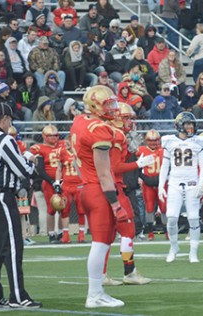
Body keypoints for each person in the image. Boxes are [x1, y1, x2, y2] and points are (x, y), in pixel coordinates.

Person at [0, 102, 41, 309]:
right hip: (0, 196)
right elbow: (23, 170)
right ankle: (18, 296)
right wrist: (31, 160)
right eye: (9, 120)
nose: (10, 123)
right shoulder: (4, 140)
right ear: (4, 119)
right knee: (12, 247)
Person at [69, 84, 125, 308]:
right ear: (94, 105)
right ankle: (94, 294)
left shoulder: (79, 121)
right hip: (99, 191)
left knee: (102, 242)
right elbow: (104, 173)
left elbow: (77, 160)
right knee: (101, 244)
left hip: (87, 187)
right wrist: (115, 204)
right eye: (108, 104)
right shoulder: (98, 129)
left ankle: (96, 292)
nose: (112, 107)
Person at [105, 102, 153, 285]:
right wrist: (138, 164)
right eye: (127, 118)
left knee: (107, 235)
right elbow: (116, 167)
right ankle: (129, 272)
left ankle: (104, 274)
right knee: (127, 229)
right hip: (114, 187)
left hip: (110, 186)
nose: (130, 122)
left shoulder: (112, 133)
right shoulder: (116, 136)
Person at [158, 112, 203, 263]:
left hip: (192, 183)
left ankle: (193, 252)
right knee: (171, 217)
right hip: (174, 183)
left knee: (193, 218)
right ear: (180, 125)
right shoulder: (169, 141)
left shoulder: (198, 141)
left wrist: (201, 184)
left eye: (191, 124)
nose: (190, 127)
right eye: (187, 124)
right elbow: (164, 165)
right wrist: (161, 185)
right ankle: (174, 247)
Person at [30, 125, 65, 243]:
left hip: (63, 181)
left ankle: (61, 232)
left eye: (55, 135)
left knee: (63, 208)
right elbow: (40, 169)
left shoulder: (64, 145)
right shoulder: (39, 148)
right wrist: (52, 182)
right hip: (49, 183)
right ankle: (51, 234)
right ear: (44, 137)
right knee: (52, 209)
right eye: (50, 136)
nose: (54, 138)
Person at [137, 130, 166, 241]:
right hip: (148, 184)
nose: (153, 143)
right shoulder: (141, 150)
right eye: (150, 140)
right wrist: (144, 178)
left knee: (164, 208)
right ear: (146, 141)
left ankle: (167, 231)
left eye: (155, 140)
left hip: (162, 183)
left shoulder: (164, 150)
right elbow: (137, 167)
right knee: (149, 208)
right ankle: (150, 233)